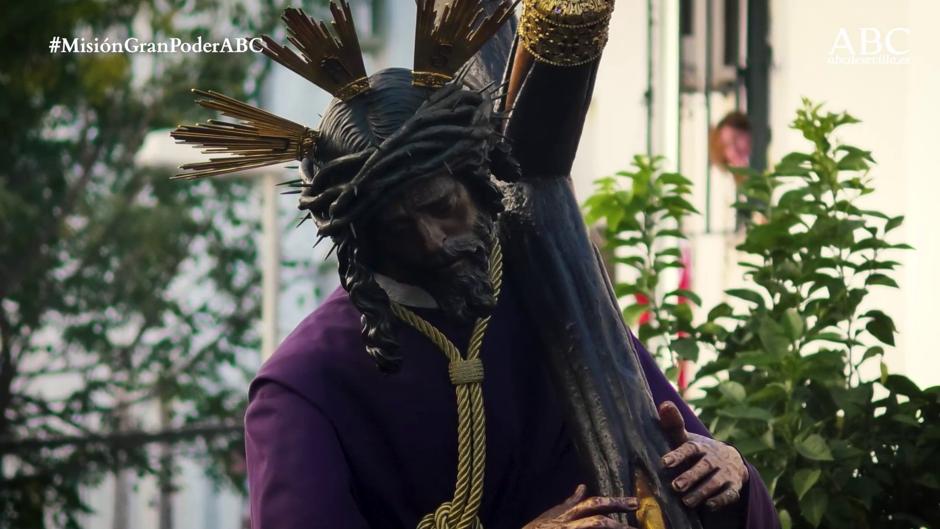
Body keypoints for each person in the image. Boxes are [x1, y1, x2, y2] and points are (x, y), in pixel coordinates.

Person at [171, 1, 780, 528]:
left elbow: (706, 488)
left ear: (478, 181)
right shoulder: (306, 388)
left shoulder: (554, 295)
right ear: (359, 241)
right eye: (397, 230)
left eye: (442, 207)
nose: (434, 241)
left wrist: (730, 478)